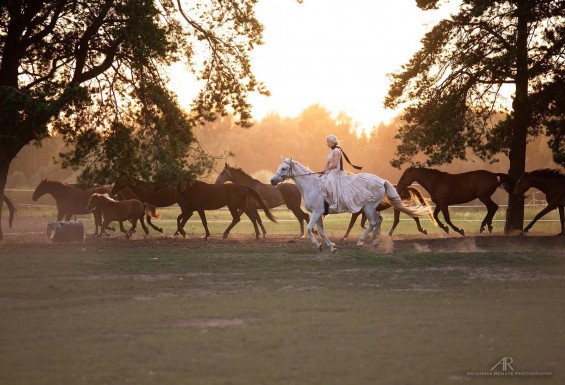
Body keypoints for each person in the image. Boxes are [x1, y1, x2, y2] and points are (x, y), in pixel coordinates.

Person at [318, 135, 368, 213]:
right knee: (322, 180)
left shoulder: (336, 151)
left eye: (327, 142)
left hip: (336, 172)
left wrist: (326, 170)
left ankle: (335, 203)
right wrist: (322, 171)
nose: (326, 143)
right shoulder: (331, 151)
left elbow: (335, 165)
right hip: (331, 171)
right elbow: (327, 163)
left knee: (329, 182)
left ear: (331, 142)